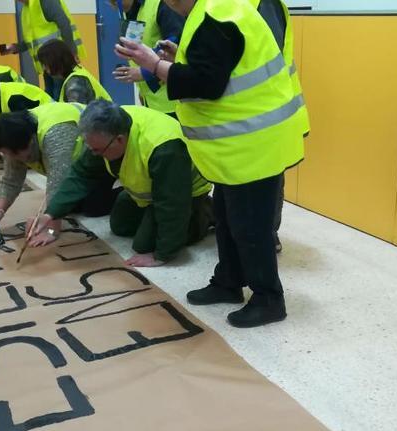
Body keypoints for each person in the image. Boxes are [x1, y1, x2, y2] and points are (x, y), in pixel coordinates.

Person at [115, 0, 305, 326]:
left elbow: (208, 84)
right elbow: (224, 65)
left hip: (252, 142)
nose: (166, 4)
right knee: (228, 218)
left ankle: (269, 299)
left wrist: (155, 64)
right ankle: (228, 282)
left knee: (251, 227)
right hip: (236, 144)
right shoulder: (212, 10)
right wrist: (179, 59)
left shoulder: (217, 16)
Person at [25, 100, 213, 268]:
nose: (94, 154)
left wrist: (162, 255)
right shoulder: (105, 134)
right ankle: (156, 218)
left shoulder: (163, 148)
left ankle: (206, 214)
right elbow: (80, 175)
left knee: (144, 245)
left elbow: (172, 204)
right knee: (120, 225)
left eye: (97, 150)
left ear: (120, 140)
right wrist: (51, 214)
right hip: (148, 191)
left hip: (183, 192)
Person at [0, 103, 117, 231]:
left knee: (93, 206)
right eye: (6, 154)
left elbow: (57, 182)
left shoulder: (55, 135)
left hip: (102, 150)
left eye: (13, 153)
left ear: (30, 142)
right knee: (69, 204)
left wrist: (51, 230)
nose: (11, 158)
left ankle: (123, 192)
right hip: (80, 161)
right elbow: (10, 180)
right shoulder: (15, 138)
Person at [250, 0, 310, 252]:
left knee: (268, 178)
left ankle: (266, 236)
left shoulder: (265, 4)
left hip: (268, 108)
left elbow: (265, 58)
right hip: (252, 109)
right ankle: (256, 235)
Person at [109, 0, 184, 116]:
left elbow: (174, 47)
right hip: (151, 100)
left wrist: (143, 73)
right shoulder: (130, 10)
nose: (113, 6)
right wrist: (143, 91)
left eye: (114, 2)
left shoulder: (160, 5)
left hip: (173, 101)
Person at [4, 0, 86, 99]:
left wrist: (72, 52)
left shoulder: (46, 2)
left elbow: (64, 23)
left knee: (58, 94)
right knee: (49, 94)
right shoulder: (27, 9)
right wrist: (16, 47)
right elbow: (32, 40)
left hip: (59, 59)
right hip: (47, 63)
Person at [36, 39, 112, 103]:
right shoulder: (77, 73)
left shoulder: (75, 82)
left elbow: (76, 114)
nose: (44, 68)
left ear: (55, 62)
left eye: (45, 64)